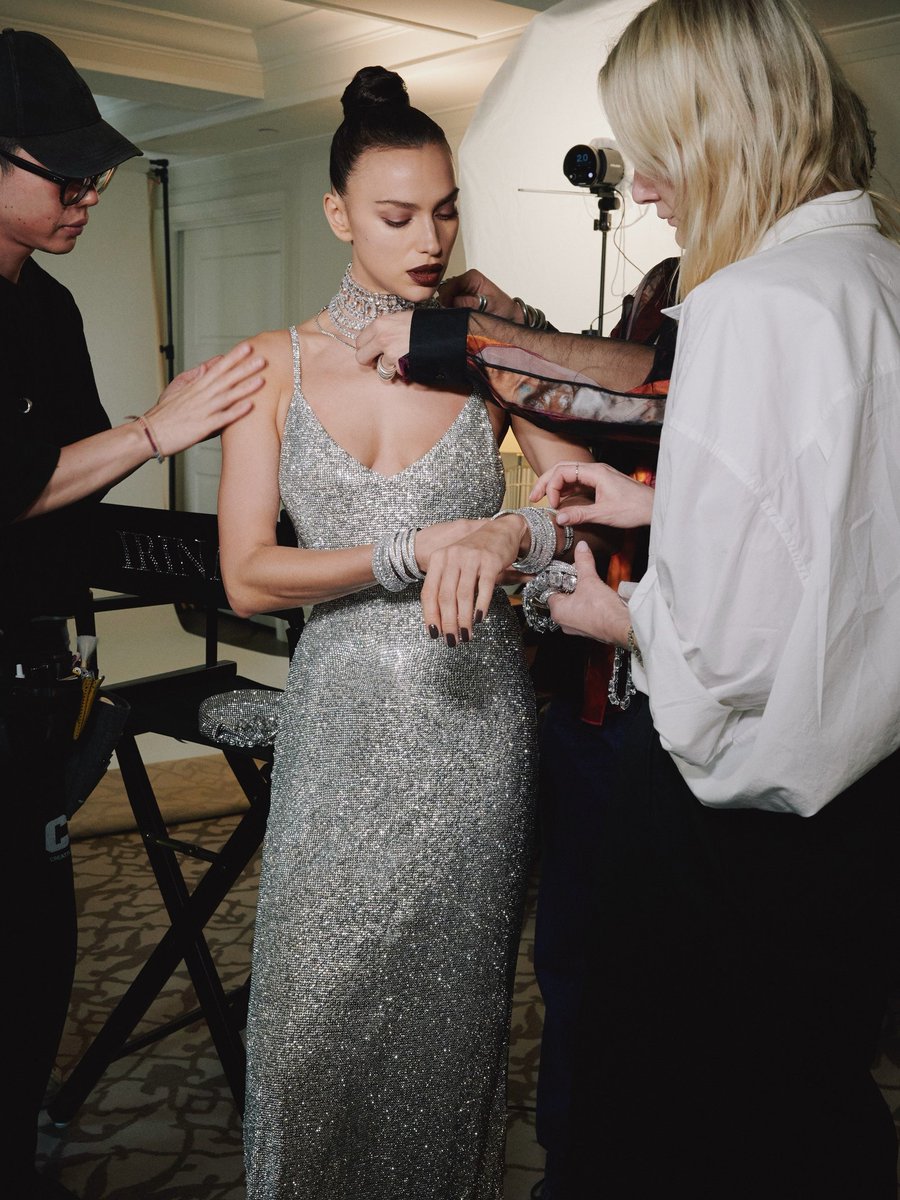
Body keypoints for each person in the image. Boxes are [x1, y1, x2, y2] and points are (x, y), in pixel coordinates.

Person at [526, 1, 900, 1196]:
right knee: (817, 1098)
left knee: (678, 1125)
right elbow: (845, 529)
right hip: (869, 803)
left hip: (735, 828)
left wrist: (617, 617)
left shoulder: (749, 305)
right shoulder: (876, 273)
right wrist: (663, 505)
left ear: (725, 134)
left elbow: (731, 649)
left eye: (655, 150)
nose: (639, 190)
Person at [215, 66, 591, 1199]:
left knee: (446, 1041)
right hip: (338, 731)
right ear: (337, 214)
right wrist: (400, 552)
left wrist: (500, 529)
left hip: (474, 731)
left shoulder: (483, 354)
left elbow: (582, 506)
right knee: (303, 1035)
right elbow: (245, 574)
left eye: (445, 210)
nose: (427, 238)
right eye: (395, 215)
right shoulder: (271, 364)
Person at [0, 28, 266, 1200]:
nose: (89, 193)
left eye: (96, 173)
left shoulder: (47, 307)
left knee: (40, 940)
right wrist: (158, 432)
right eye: (64, 174)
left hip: (41, 672)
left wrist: (233, 550)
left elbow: (75, 474)